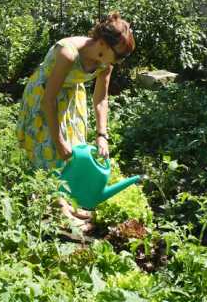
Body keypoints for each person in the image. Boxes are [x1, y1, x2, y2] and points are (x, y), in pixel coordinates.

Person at [16, 12, 135, 228]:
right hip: (45, 98)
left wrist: (102, 135)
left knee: (74, 152)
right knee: (52, 149)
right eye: (118, 55)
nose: (119, 61)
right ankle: (58, 209)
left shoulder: (105, 63)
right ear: (102, 43)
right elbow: (49, 99)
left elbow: (101, 98)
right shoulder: (68, 53)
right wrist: (59, 140)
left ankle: (65, 202)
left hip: (71, 97)